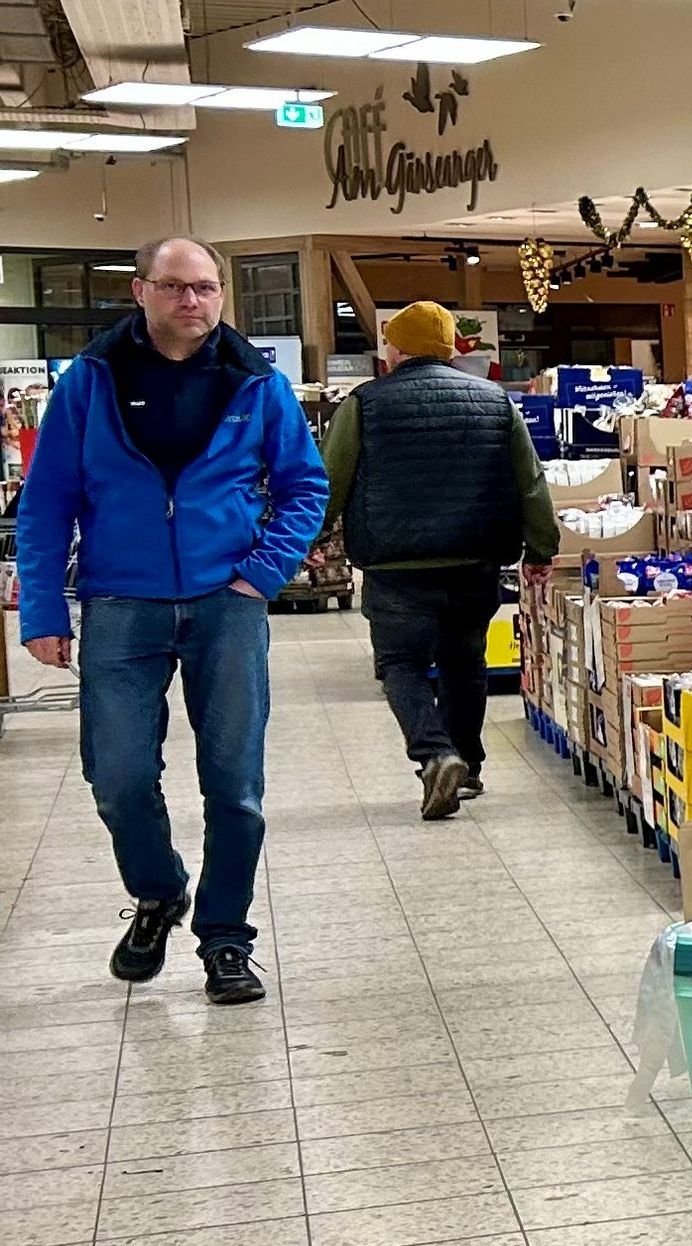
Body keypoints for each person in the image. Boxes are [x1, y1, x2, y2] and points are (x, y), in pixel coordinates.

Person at [12, 235, 327, 1002]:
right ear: (141, 293)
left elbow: (304, 486)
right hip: (121, 601)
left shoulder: (255, 382)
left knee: (235, 784)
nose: (195, 302)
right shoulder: (92, 380)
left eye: (208, 289)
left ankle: (225, 937)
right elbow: (48, 501)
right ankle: (159, 892)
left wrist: (263, 572)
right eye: (178, 288)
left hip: (227, 603)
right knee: (117, 776)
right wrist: (44, 606)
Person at [326, 301, 556, 819]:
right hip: (474, 558)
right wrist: (542, 548)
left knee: (401, 663)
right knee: (463, 663)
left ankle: (435, 753)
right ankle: (468, 767)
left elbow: (332, 480)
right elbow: (531, 484)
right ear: (452, 349)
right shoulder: (496, 402)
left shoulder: (365, 403)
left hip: (394, 565)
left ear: (395, 349)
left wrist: (311, 537)